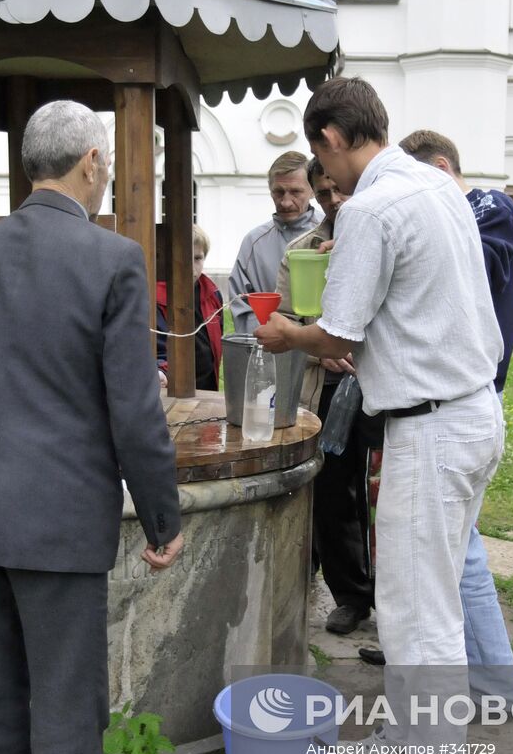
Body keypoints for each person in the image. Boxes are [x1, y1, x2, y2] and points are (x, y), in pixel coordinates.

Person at [0, 99, 184, 754]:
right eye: (103, 159)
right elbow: (136, 411)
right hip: (56, 510)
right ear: (91, 163)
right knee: (67, 699)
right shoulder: (112, 258)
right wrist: (163, 515)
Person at [256, 77, 504, 754]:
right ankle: (412, 741)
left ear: (331, 137)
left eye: (322, 168)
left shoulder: (368, 207)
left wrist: (288, 335)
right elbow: (411, 292)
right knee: (428, 597)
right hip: (471, 412)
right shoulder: (433, 182)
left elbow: (339, 336)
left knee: (416, 610)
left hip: (429, 426)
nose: (323, 184)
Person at [356, 131, 513, 707]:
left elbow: (436, 275)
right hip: (455, 409)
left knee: (425, 603)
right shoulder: (444, 207)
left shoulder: (484, 206)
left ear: (440, 168)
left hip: (446, 415)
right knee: (440, 582)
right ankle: (441, 717)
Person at [273, 158, 377, 636]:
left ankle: (390, 596)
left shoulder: (378, 237)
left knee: (382, 497)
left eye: (340, 189)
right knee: (335, 494)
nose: (334, 200)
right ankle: (351, 596)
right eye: (325, 192)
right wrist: (321, 353)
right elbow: (284, 321)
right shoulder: (302, 251)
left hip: (380, 387)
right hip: (327, 391)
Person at [227, 150, 321, 334]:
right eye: (279, 192)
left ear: (312, 190)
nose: (285, 202)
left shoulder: (333, 232)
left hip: (326, 352)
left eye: (295, 192)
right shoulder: (254, 243)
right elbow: (241, 306)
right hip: (272, 350)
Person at [155, 223, 223, 391]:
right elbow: (156, 349)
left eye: (198, 258)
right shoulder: (154, 300)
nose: (191, 266)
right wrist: (161, 372)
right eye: (184, 258)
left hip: (207, 386)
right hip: (173, 390)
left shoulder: (213, 294)